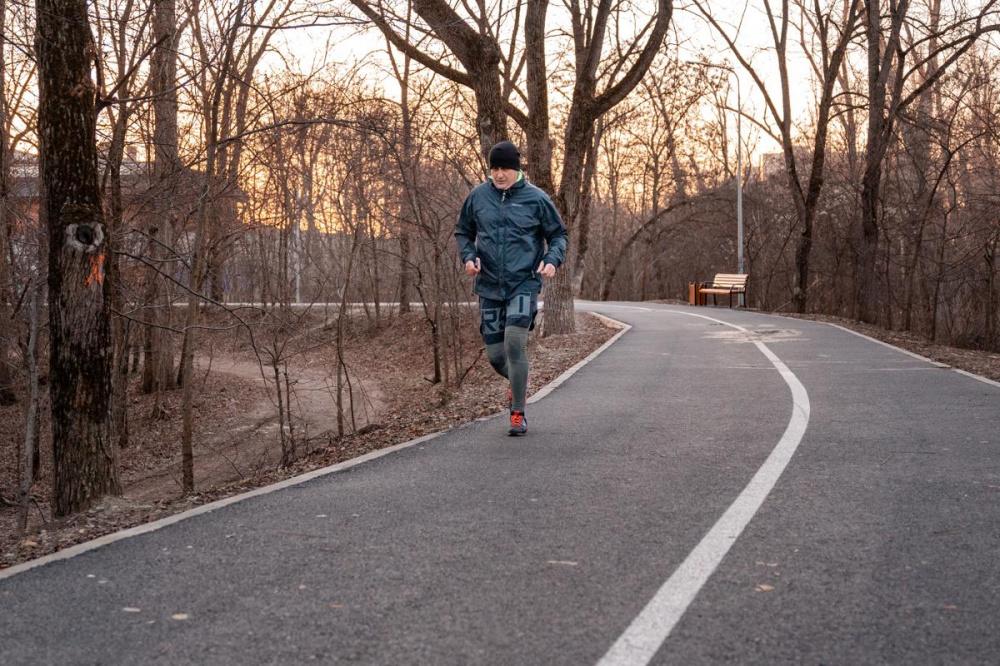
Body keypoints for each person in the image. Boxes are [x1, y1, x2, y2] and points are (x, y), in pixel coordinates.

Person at [454, 140, 568, 436]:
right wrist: (469, 257)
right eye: (494, 168)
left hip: (524, 283)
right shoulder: (478, 197)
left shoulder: (536, 199)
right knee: (495, 356)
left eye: (504, 168)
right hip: (489, 285)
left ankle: (518, 413)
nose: (499, 174)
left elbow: (558, 236)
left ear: (516, 170)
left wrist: (552, 260)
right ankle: (517, 386)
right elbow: (463, 232)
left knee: (515, 343)